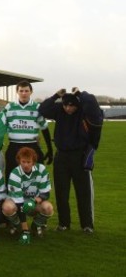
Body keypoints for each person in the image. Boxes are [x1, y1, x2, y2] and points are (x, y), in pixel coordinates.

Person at [38, 88, 103, 234]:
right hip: (61, 156)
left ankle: (87, 225)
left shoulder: (84, 111)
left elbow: (92, 102)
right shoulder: (59, 110)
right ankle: (63, 224)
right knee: (61, 192)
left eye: (71, 105)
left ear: (77, 104)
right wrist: (56, 95)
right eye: (65, 105)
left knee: (84, 192)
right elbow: (43, 109)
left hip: (80, 156)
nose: (68, 108)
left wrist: (80, 93)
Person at [2, 147, 54, 244]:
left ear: (33, 161)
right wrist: (25, 229)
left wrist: (34, 201)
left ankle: (36, 225)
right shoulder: (15, 174)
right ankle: (17, 226)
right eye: (23, 161)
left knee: (48, 208)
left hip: (34, 201)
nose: (26, 165)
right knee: (7, 208)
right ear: (19, 161)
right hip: (17, 202)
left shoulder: (41, 169)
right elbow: (19, 204)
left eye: (28, 162)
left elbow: (45, 193)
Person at [4, 80, 53, 181]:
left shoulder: (37, 108)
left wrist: (50, 149)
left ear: (31, 92)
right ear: (17, 92)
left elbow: (44, 128)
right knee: (11, 176)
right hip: (14, 145)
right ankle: (11, 196)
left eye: (26, 91)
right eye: (21, 91)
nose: (24, 93)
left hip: (32, 145)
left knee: (37, 175)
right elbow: (1, 126)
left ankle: (38, 196)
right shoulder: (9, 107)